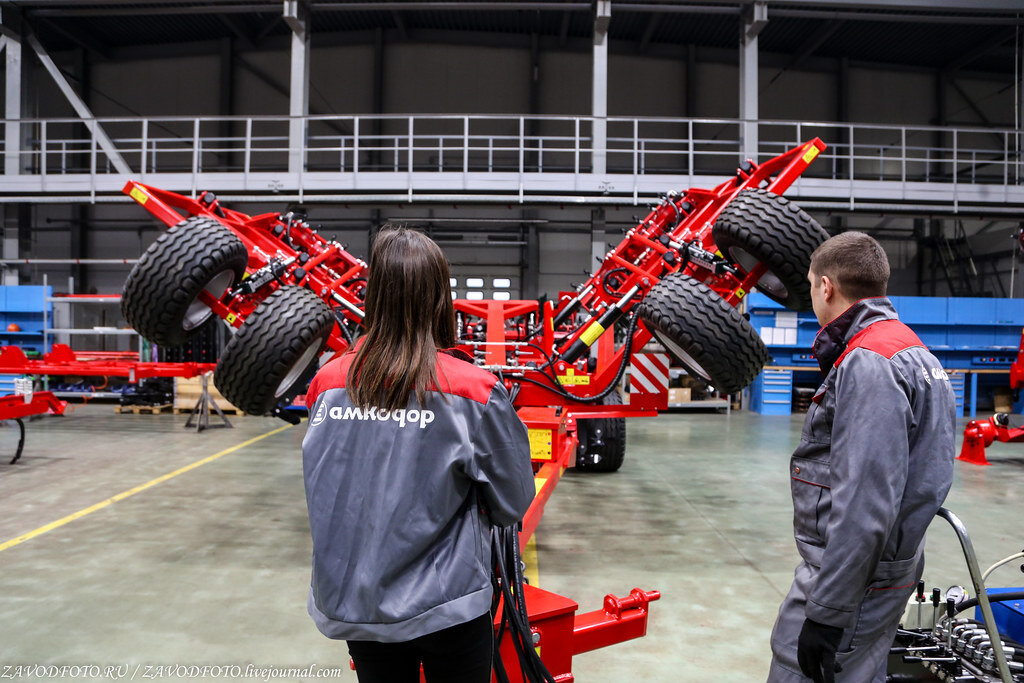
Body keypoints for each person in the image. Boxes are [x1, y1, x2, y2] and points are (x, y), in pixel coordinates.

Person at [301, 226, 535, 683]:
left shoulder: (326, 384)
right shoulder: (474, 391)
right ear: (438, 299)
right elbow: (512, 502)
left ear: (375, 298)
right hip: (447, 606)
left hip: (357, 604)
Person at [767, 232, 956, 683]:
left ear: (826, 287)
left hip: (852, 578)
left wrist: (827, 610)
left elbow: (865, 503)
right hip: (891, 566)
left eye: (812, 285)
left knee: (802, 669)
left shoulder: (868, 361)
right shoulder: (911, 348)